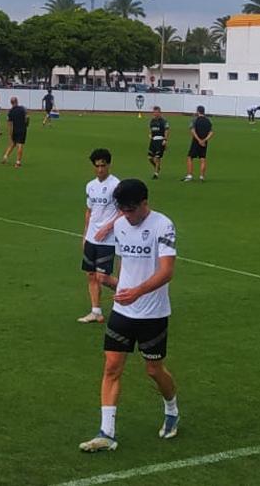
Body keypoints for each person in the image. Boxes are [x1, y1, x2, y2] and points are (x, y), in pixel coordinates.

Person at [79, 178, 179, 452]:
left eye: (131, 210)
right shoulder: (121, 225)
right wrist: (115, 283)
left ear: (144, 203)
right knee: (111, 367)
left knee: (153, 370)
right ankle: (106, 433)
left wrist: (137, 291)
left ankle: (171, 409)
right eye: (122, 210)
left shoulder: (163, 225)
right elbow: (127, 265)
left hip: (153, 314)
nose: (126, 216)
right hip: (123, 311)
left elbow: (167, 271)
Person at [78, 148, 120, 324]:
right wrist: (85, 233)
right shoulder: (91, 186)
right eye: (97, 166)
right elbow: (89, 211)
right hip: (91, 238)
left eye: (103, 166)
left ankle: (133, 292)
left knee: (103, 277)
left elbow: (123, 212)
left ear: (109, 165)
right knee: (91, 275)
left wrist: (107, 227)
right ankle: (96, 312)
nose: (100, 169)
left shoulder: (116, 186)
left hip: (108, 239)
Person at [181, 106, 212, 182]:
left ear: (198, 111)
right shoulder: (208, 120)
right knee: (202, 159)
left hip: (196, 141)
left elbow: (192, 130)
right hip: (204, 142)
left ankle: (189, 175)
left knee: (190, 157)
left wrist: (198, 140)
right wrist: (204, 140)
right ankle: (201, 176)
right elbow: (211, 132)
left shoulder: (195, 120)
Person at [2, 96, 29, 167]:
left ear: (11, 103)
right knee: (20, 145)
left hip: (14, 129)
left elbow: (9, 124)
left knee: (13, 143)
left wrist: (10, 134)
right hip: (22, 129)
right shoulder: (22, 109)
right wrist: (26, 124)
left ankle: (5, 156)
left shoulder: (10, 111)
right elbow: (27, 117)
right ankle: (18, 162)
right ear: (17, 101)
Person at [147, 106, 169, 179]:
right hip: (153, 140)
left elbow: (166, 130)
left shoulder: (163, 121)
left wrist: (165, 140)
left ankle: (156, 173)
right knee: (150, 157)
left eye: (157, 112)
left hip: (160, 140)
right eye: (154, 112)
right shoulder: (152, 121)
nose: (155, 114)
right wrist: (150, 134)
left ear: (160, 112)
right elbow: (150, 129)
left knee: (157, 157)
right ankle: (157, 167)